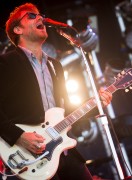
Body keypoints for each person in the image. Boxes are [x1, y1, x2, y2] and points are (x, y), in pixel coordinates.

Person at [0, 3, 112, 180]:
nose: (40, 18)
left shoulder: (55, 65)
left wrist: (97, 104)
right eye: (31, 16)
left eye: (40, 15)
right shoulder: (6, 63)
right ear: (18, 29)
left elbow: (66, 111)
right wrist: (18, 136)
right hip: (31, 155)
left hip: (64, 151)